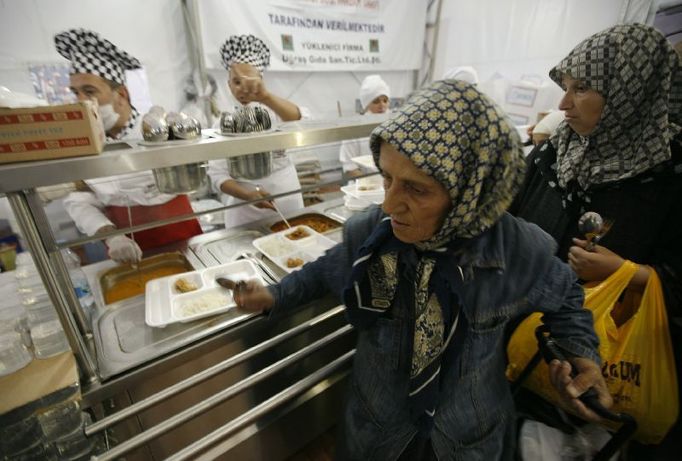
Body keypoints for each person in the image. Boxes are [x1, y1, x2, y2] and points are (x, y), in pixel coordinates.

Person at [232, 80, 611, 460]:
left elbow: (568, 303)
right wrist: (276, 295)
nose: (390, 203)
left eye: (416, 189)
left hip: (466, 436)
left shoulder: (516, 251)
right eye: (387, 178)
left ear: (470, 191)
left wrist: (581, 356)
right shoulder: (373, 235)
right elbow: (327, 269)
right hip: (378, 433)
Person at [510, 24, 682, 458]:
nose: (564, 103)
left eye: (582, 88)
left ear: (632, 91)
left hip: (614, 365)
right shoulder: (558, 150)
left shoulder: (669, 175)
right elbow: (511, 213)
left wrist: (631, 275)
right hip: (531, 347)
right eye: (565, 87)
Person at [56, 28, 202, 263]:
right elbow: (78, 200)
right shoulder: (83, 142)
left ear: (121, 95)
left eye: (90, 92)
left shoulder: (156, 131)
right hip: (124, 243)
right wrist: (111, 236)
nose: (81, 101)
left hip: (179, 230)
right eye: (76, 93)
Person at [207, 35, 307, 228]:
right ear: (228, 84)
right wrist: (248, 195)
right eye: (236, 82)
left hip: (287, 201)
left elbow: (298, 118)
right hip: (244, 209)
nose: (243, 89)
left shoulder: (276, 110)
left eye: (250, 82)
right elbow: (218, 175)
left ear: (261, 81)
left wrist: (265, 96)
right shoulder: (222, 123)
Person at [339, 75, 391, 179]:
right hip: (365, 186)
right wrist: (370, 184)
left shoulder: (395, 123)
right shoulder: (355, 129)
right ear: (366, 104)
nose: (382, 105)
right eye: (376, 101)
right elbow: (350, 166)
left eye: (385, 100)